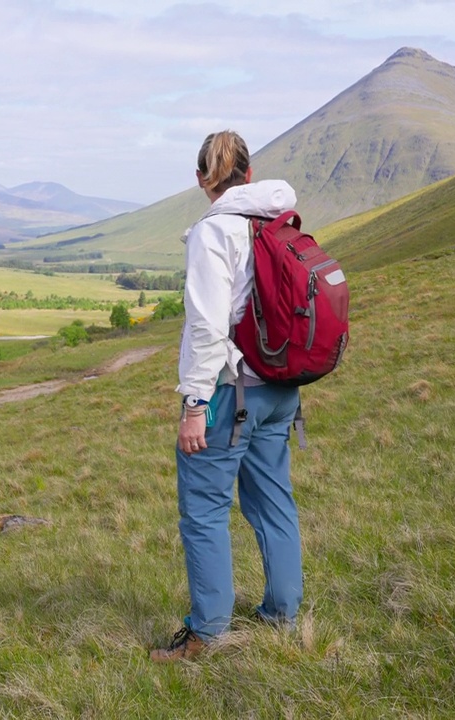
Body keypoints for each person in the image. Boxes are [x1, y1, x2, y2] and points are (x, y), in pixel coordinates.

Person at [151, 130, 304, 662]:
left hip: (229, 393)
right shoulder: (275, 218)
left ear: (201, 180)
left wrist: (194, 406)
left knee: (204, 510)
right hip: (280, 388)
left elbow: (207, 327)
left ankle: (206, 634)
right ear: (249, 173)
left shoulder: (213, 231)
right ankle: (283, 616)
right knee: (273, 502)